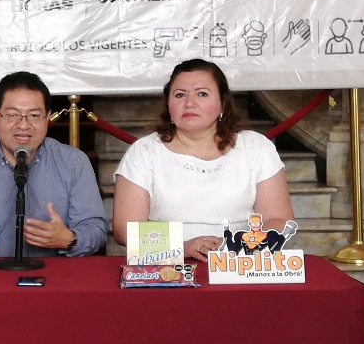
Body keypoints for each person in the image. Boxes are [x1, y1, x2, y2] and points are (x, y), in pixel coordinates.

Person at [112, 58, 294, 262]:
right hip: (168, 265)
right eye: (180, 95)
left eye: (202, 94)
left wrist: (237, 247)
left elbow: (278, 219)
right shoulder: (144, 152)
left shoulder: (256, 148)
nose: (189, 103)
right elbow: (125, 230)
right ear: (169, 105)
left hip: (242, 263)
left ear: (222, 103)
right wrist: (182, 247)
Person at [0, 71, 108, 258]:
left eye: (34, 116)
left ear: (47, 118)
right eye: (12, 115)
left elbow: (96, 229)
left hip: (55, 281)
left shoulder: (74, 163)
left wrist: (69, 239)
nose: (24, 125)